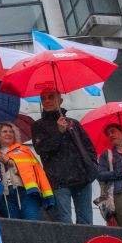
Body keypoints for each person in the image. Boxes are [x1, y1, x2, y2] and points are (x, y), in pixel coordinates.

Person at [31, 89, 97, 225]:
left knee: (86, 220)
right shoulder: (38, 125)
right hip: (58, 180)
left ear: (60, 100)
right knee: (64, 220)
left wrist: (91, 166)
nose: (47, 101)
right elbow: (41, 149)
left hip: (82, 177)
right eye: (43, 98)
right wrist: (58, 132)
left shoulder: (73, 123)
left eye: (51, 97)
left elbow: (88, 147)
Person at [0, 121, 54, 220]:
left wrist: (10, 162)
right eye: (4, 131)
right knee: (14, 226)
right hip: (5, 195)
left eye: (11, 132)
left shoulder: (24, 150)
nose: (8, 134)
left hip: (26, 192)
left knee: (32, 222)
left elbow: (39, 172)